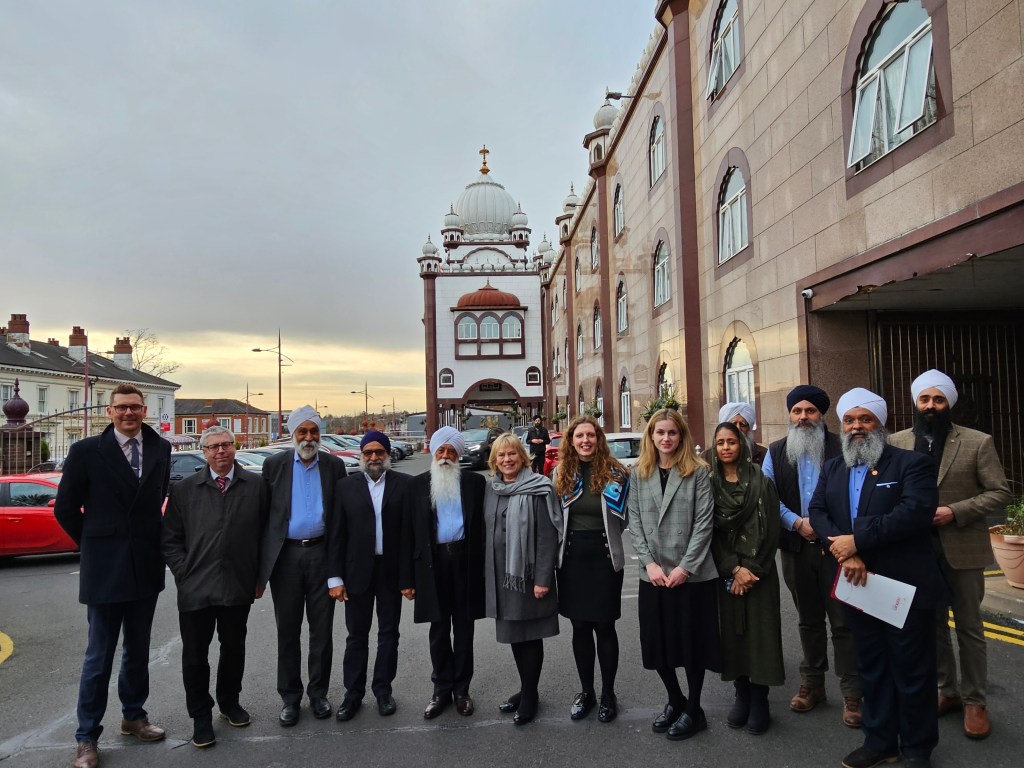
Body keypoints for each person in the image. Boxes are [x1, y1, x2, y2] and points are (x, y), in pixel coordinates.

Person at [809, 388, 944, 768]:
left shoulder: (911, 464)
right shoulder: (833, 467)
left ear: (880, 424)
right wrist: (844, 550)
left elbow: (914, 513)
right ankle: (880, 741)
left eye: (865, 419)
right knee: (872, 665)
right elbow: (818, 512)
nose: (856, 427)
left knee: (912, 669)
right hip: (858, 584)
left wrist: (857, 543)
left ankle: (917, 749)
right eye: (849, 420)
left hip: (902, 585)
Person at [54, 383, 171, 768]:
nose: (128, 413)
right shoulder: (86, 451)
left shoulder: (160, 447)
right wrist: (94, 544)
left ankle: (134, 716)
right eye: (121, 407)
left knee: (138, 651)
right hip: (104, 568)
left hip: (145, 565)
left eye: (135, 407)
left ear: (144, 410)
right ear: (110, 412)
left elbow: (156, 499)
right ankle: (86, 736)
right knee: (99, 657)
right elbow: (65, 508)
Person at [889, 369, 1010, 740]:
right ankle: (948, 691)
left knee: (970, 627)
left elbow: (999, 492)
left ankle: (975, 701)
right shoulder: (896, 441)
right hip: (916, 551)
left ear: (949, 403)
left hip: (963, 549)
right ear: (915, 402)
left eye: (938, 399)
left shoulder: (977, 441)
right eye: (924, 399)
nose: (930, 405)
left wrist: (953, 512)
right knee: (934, 626)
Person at [762, 385, 862, 726]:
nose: (803, 417)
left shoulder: (843, 447)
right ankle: (813, 684)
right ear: (789, 415)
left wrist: (828, 530)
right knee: (808, 620)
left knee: (843, 622)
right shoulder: (776, 451)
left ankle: (852, 692)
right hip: (796, 547)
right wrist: (795, 522)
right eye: (797, 411)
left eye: (810, 411)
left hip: (838, 549)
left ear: (822, 415)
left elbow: (856, 495)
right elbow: (768, 497)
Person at [162, 425, 267, 748]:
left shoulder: (256, 485)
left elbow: (266, 534)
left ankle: (229, 702)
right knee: (195, 655)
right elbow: (170, 539)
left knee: (234, 648)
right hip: (196, 587)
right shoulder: (185, 489)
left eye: (226, 445)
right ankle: (200, 716)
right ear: (204, 452)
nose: (221, 451)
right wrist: (184, 572)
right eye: (214, 447)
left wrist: (258, 576)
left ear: (235, 448)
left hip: (238, 584)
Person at [627, 408, 720, 741]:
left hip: (690, 575)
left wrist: (685, 567)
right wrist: (649, 564)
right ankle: (675, 698)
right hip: (654, 574)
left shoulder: (698, 472)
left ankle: (694, 709)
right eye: (660, 432)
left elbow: (704, 525)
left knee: (691, 646)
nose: (666, 438)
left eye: (672, 432)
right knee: (657, 645)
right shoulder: (639, 472)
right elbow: (634, 522)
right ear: (651, 436)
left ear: (682, 436)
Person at [259, 405, 348, 727]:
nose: (308, 438)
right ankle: (290, 698)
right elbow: (263, 517)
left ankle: (319, 694)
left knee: (322, 631)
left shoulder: (334, 465)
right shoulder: (274, 465)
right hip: (286, 558)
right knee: (288, 631)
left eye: (313, 432)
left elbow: (341, 518)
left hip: (322, 555)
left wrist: (339, 569)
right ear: (293, 434)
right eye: (302, 432)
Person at [399, 426, 486, 719]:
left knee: (464, 630)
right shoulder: (416, 485)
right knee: (438, 631)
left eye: (451, 451)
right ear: (434, 452)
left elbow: (483, 529)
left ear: (458, 455)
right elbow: (407, 534)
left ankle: (462, 691)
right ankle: (441, 690)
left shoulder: (475, 483)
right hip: (432, 565)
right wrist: (407, 579)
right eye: (441, 450)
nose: (446, 456)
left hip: (465, 562)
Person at [552, 416, 630, 723]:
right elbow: (555, 516)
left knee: (605, 627)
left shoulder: (617, 473)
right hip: (572, 559)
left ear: (599, 439)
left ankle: (609, 694)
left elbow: (624, 517)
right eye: (579, 436)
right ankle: (587, 692)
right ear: (571, 441)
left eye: (590, 435)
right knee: (580, 628)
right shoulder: (561, 472)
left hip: (604, 557)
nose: (585, 441)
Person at [709, 421, 784, 735]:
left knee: (761, 635)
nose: (726, 447)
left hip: (759, 573)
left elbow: (772, 531)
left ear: (742, 445)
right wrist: (732, 567)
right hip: (727, 572)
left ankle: (760, 698)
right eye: (720, 442)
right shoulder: (709, 484)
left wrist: (751, 569)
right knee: (732, 635)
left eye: (732, 441)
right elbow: (708, 531)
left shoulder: (761, 482)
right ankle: (741, 694)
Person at [328, 431, 409, 721]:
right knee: (356, 635)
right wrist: (334, 578)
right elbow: (336, 535)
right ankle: (353, 694)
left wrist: (408, 578)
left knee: (389, 634)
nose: (374, 457)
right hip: (356, 572)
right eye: (368, 453)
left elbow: (410, 535)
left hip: (391, 571)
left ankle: (383, 691)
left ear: (387, 454)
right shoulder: (345, 487)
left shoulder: (404, 484)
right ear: (361, 455)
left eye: (379, 452)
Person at [483, 432, 563, 726]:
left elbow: (547, 536)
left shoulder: (539, 487)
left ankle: (530, 696)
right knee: (515, 636)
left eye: (512, 453)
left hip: (528, 578)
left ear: (523, 456)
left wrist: (543, 578)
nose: (507, 459)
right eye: (501, 455)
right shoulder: (491, 489)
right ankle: (526, 688)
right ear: (494, 461)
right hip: (503, 577)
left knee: (530, 636)